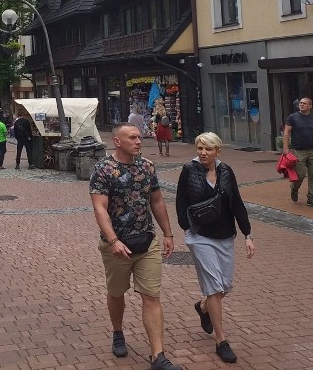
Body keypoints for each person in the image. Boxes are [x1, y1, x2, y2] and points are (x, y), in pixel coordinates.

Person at [89, 123, 181, 370]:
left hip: (147, 241)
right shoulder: (103, 169)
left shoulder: (147, 166)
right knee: (117, 293)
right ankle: (118, 331)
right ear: (117, 141)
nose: (139, 141)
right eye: (132, 137)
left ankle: (157, 357)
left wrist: (168, 233)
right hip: (116, 245)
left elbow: (157, 200)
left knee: (151, 296)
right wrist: (113, 240)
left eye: (140, 137)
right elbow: (100, 207)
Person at [176, 132, 254, 364]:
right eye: (200, 148)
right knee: (214, 287)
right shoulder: (189, 170)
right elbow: (181, 200)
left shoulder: (226, 171)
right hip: (200, 236)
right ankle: (221, 340)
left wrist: (247, 234)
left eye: (208, 149)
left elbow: (236, 202)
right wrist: (186, 227)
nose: (203, 153)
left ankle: (203, 307)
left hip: (225, 235)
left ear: (218, 151)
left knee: (225, 287)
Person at [282, 96, 313, 208]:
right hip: (298, 151)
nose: (301, 105)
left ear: (310, 106)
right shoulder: (292, 117)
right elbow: (286, 133)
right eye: (301, 103)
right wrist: (286, 149)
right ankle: (294, 188)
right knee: (300, 175)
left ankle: (311, 198)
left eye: (304, 103)